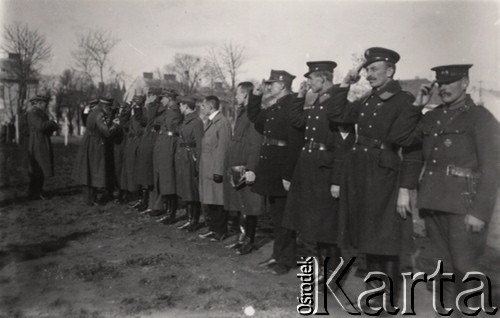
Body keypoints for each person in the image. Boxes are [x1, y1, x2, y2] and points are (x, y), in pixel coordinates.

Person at [327, 47, 423, 308]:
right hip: (361, 172)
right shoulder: (368, 99)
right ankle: (374, 298)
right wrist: (346, 83)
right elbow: (337, 115)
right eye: (367, 70)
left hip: (385, 174)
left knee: (385, 239)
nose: (368, 75)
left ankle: (387, 303)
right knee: (368, 236)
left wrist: (406, 187)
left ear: (390, 71)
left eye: (373, 69)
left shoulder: (404, 100)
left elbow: (413, 150)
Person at [411, 64, 499, 316]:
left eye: (450, 82)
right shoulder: (432, 116)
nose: (443, 88)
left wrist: (480, 212)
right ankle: (449, 310)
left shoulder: (480, 118)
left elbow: (492, 168)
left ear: (465, 82)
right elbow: (404, 138)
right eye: (440, 83)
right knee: (443, 264)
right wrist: (417, 105)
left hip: (464, 204)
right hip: (433, 200)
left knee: (465, 264)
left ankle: (471, 310)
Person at [283, 61, 355, 279]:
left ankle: (332, 271)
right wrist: (299, 98)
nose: (308, 82)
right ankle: (320, 268)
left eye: (311, 78)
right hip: (309, 166)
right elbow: (296, 120)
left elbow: (343, 146)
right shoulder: (317, 101)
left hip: (325, 168)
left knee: (327, 223)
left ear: (323, 79)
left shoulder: (338, 104)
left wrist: (337, 179)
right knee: (311, 220)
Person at [247, 70, 304, 275]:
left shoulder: (292, 105)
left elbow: (295, 144)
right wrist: (256, 96)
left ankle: (285, 260)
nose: (269, 86)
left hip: (282, 168)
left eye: (271, 84)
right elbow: (256, 119)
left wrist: (288, 175)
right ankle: (277, 256)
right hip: (271, 167)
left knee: (284, 218)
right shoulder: (275, 105)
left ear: (282, 85)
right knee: (276, 215)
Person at [223, 82, 264, 255]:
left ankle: (249, 241)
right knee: (240, 203)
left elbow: (256, 143)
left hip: (245, 165)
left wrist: (250, 168)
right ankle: (241, 238)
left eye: (238, 94)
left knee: (249, 205)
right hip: (237, 163)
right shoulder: (242, 113)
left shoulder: (253, 114)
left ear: (246, 95)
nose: (236, 97)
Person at [72, 98, 121, 205]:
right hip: (96, 144)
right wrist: (115, 125)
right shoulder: (100, 115)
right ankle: (90, 200)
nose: (109, 109)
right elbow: (106, 132)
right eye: (108, 107)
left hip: (89, 142)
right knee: (94, 170)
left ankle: (89, 199)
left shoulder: (94, 112)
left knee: (88, 170)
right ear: (105, 106)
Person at [198, 95, 232, 242]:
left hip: (214, 169)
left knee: (218, 201)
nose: (201, 108)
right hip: (208, 168)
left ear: (211, 107)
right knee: (210, 201)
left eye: (203, 106)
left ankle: (221, 231)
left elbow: (223, 148)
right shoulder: (212, 122)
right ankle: (213, 229)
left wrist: (218, 171)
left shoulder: (221, 122)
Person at [150, 89, 182, 224]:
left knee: (169, 180)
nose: (161, 100)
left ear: (170, 98)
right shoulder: (168, 110)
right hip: (162, 145)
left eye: (163, 98)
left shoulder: (175, 112)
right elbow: (153, 120)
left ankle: (171, 213)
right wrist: (154, 105)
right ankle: (168, 210)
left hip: (168, 146)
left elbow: (173, 130)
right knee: (164, 179)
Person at [175, 96, 204, 232]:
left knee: (191, 190)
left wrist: (198, 162)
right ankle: (189, 218)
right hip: (183, 156)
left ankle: (194, 220)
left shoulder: (196, 121)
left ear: (186, 106)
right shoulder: (186, 120)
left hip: (190, 157)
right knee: (185, 188)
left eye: (181, 105)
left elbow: (199, 144)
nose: (179, 108)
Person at [26, 94, 60, 200]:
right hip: (37, 142)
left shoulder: (40, 113)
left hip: (42, 140)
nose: (46, 105)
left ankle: (37, 190)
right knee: (38, 167)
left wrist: (53, 126)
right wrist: (52, 123)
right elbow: (41, 126)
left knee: (42, 166)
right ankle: (35, 191)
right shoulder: (33, 113)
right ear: (39, 103)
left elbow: (45, 127)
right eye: (45, 103)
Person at [135, 88, 162, 212]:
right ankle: (148, 202)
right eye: (148, 95)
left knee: (152, 174)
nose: (148, 97)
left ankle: (153, 204)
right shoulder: (151, 107)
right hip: (147, 140)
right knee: (146, 173)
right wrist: (138, 108)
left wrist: (148, 105)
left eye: (151, 95)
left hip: (153, 141)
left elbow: (150, 120)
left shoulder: (158, 107)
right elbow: (143, 121)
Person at [124, 95, 147, 206]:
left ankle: (142, 198)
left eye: (134, 103)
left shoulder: (141, 113)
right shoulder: (134, 114)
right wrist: (125, 112)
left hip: (138, 144)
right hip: (132, 144)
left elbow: (141, 124)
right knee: (132, 170)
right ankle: (138, 197)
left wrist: (137, 109)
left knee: (138, 171)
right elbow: (125, 124)